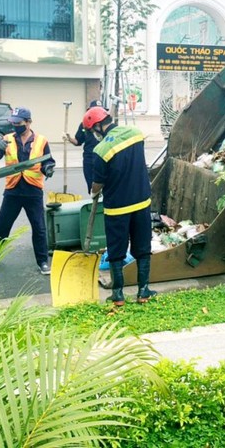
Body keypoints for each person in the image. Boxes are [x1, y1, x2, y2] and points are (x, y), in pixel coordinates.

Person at [83, 105, 156, 306]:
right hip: (142, 201)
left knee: (116, 250)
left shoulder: (100, 150)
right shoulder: (135, 133)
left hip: (117, 208)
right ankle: (143, 291)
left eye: (92, 131)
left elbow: (98, 183)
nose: (93, 135)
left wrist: (94, 192)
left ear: (97, 126)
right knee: (142, 246)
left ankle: (118, 295)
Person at [0, 106, 55, 275]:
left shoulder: (41, 140)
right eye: (13, 122)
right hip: (13, 190)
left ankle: (43, 262)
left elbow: (48, 161)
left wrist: (48, 169)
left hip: (33, 190)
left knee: (39, 228)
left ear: (28, 122)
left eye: (19, 123)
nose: (15, 126)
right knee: (2, 226)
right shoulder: (7, 139)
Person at [64, 99, 104, 192]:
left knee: (104, 186)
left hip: (102, 158)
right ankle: (93, 204)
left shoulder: (104, 125)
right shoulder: (84, 124)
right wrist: (69, 138)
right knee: (91, 187)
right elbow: (78, 141)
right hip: (89, 160)